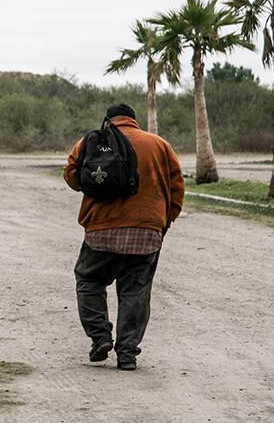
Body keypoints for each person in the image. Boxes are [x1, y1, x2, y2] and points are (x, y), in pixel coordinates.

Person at [63, 103, 184, 370]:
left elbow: (72, 177)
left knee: (89, 280)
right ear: (134, 121)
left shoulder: (89, 142)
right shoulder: (160, 145)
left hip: (100, 231)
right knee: (136, 291)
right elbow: (177, 186)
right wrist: (164, 221)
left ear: (108, 120)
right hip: (146, 231)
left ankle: (100, 338)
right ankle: (127, 353)